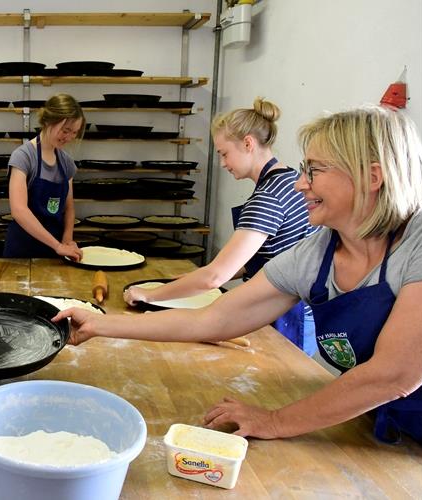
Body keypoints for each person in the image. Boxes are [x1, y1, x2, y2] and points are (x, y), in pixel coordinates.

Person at [55, 105, 422, 446]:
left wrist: (276, 422)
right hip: (381, 422)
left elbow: (394, 374)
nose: (301, 184)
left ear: (371, 176)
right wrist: (100, 325)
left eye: (315, 170)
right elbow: (213, 319)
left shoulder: (420, 242)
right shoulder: (318, 254)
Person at [125, 98, 319, 354]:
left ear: (248, 143)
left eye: (224, 153)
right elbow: (274, 253)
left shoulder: (267, 198)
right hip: (304, 309)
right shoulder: (291, 179)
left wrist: (150, 294)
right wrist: (199, 277)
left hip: (283, 314)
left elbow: (215, 277)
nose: (223, 163)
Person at [3, 93, 84, 260]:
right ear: (48, 121)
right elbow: (19, 210)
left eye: (74, 132)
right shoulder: (24, 157)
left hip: (54, 253)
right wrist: (58, 246)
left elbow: (69, 209)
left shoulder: (66, 162)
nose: (69, 137)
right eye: (65, 130)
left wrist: (67, 241)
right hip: (22, 250)